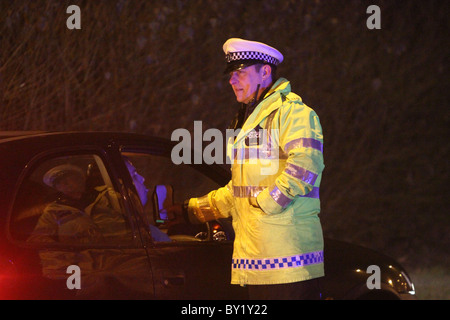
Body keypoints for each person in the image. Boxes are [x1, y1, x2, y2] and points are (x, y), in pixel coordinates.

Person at [174, 38, 325, 300]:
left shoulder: (293, 113)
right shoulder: (250, 120)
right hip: (260, 261)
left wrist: (268, 202)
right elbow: (241, 190)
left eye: (240, 73)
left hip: (288, 262)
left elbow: (306, 165)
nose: (232, 81)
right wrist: (193, 211)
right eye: (231, 75)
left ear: (265, 71)